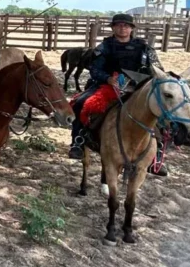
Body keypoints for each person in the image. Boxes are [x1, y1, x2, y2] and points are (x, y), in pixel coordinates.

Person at [68, 13, 168, 176]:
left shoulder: (144, 48)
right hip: (106, 85)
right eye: (119, 25)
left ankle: (157, 158)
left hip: (138, 87)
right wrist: (108, 79)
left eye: (126, 25)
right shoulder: (104, 47)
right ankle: (77, 143)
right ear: (113, 27)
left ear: (132, 28)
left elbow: (157, 68)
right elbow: (94, 69)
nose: (123, 28)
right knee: (80, 102)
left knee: (161, 111)